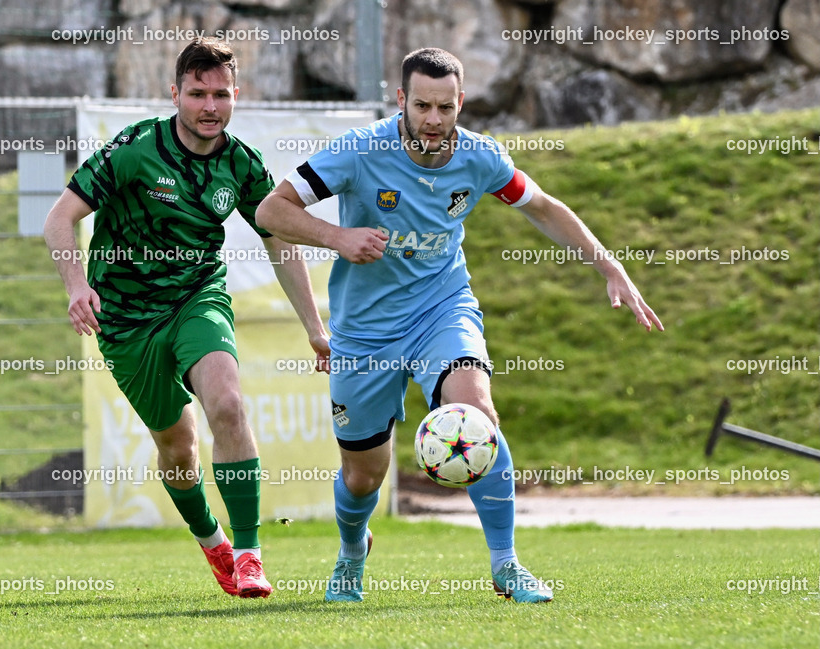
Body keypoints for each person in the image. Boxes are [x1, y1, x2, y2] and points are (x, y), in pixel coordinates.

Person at [255, 47, 664, 603]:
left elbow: (542, 205)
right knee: (362, 475)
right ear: (401, 100)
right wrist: (338, 237)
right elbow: (271, 211)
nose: (433, 120)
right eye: (421, 106)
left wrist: (608, 264)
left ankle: (506, 564)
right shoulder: (359, 151)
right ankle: (352, 554)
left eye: (445, 108)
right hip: (365, 332)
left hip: (441, 309)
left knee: (477, 418)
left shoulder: (480, 158)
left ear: (460, 103)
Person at [43, 38, 328, 599]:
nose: (209, 106)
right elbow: (60, 218)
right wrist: (77, 285)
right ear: (175, 94)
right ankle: (211, 539)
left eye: (221, 94)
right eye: (197, 93)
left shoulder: (241, 164)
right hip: (124, 320)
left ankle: (249, 555)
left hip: (197, 296)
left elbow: (280, 241)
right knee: (177, 447)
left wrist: (316, 329)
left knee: (227, 402)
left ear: (235, 96)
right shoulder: (135, 149)